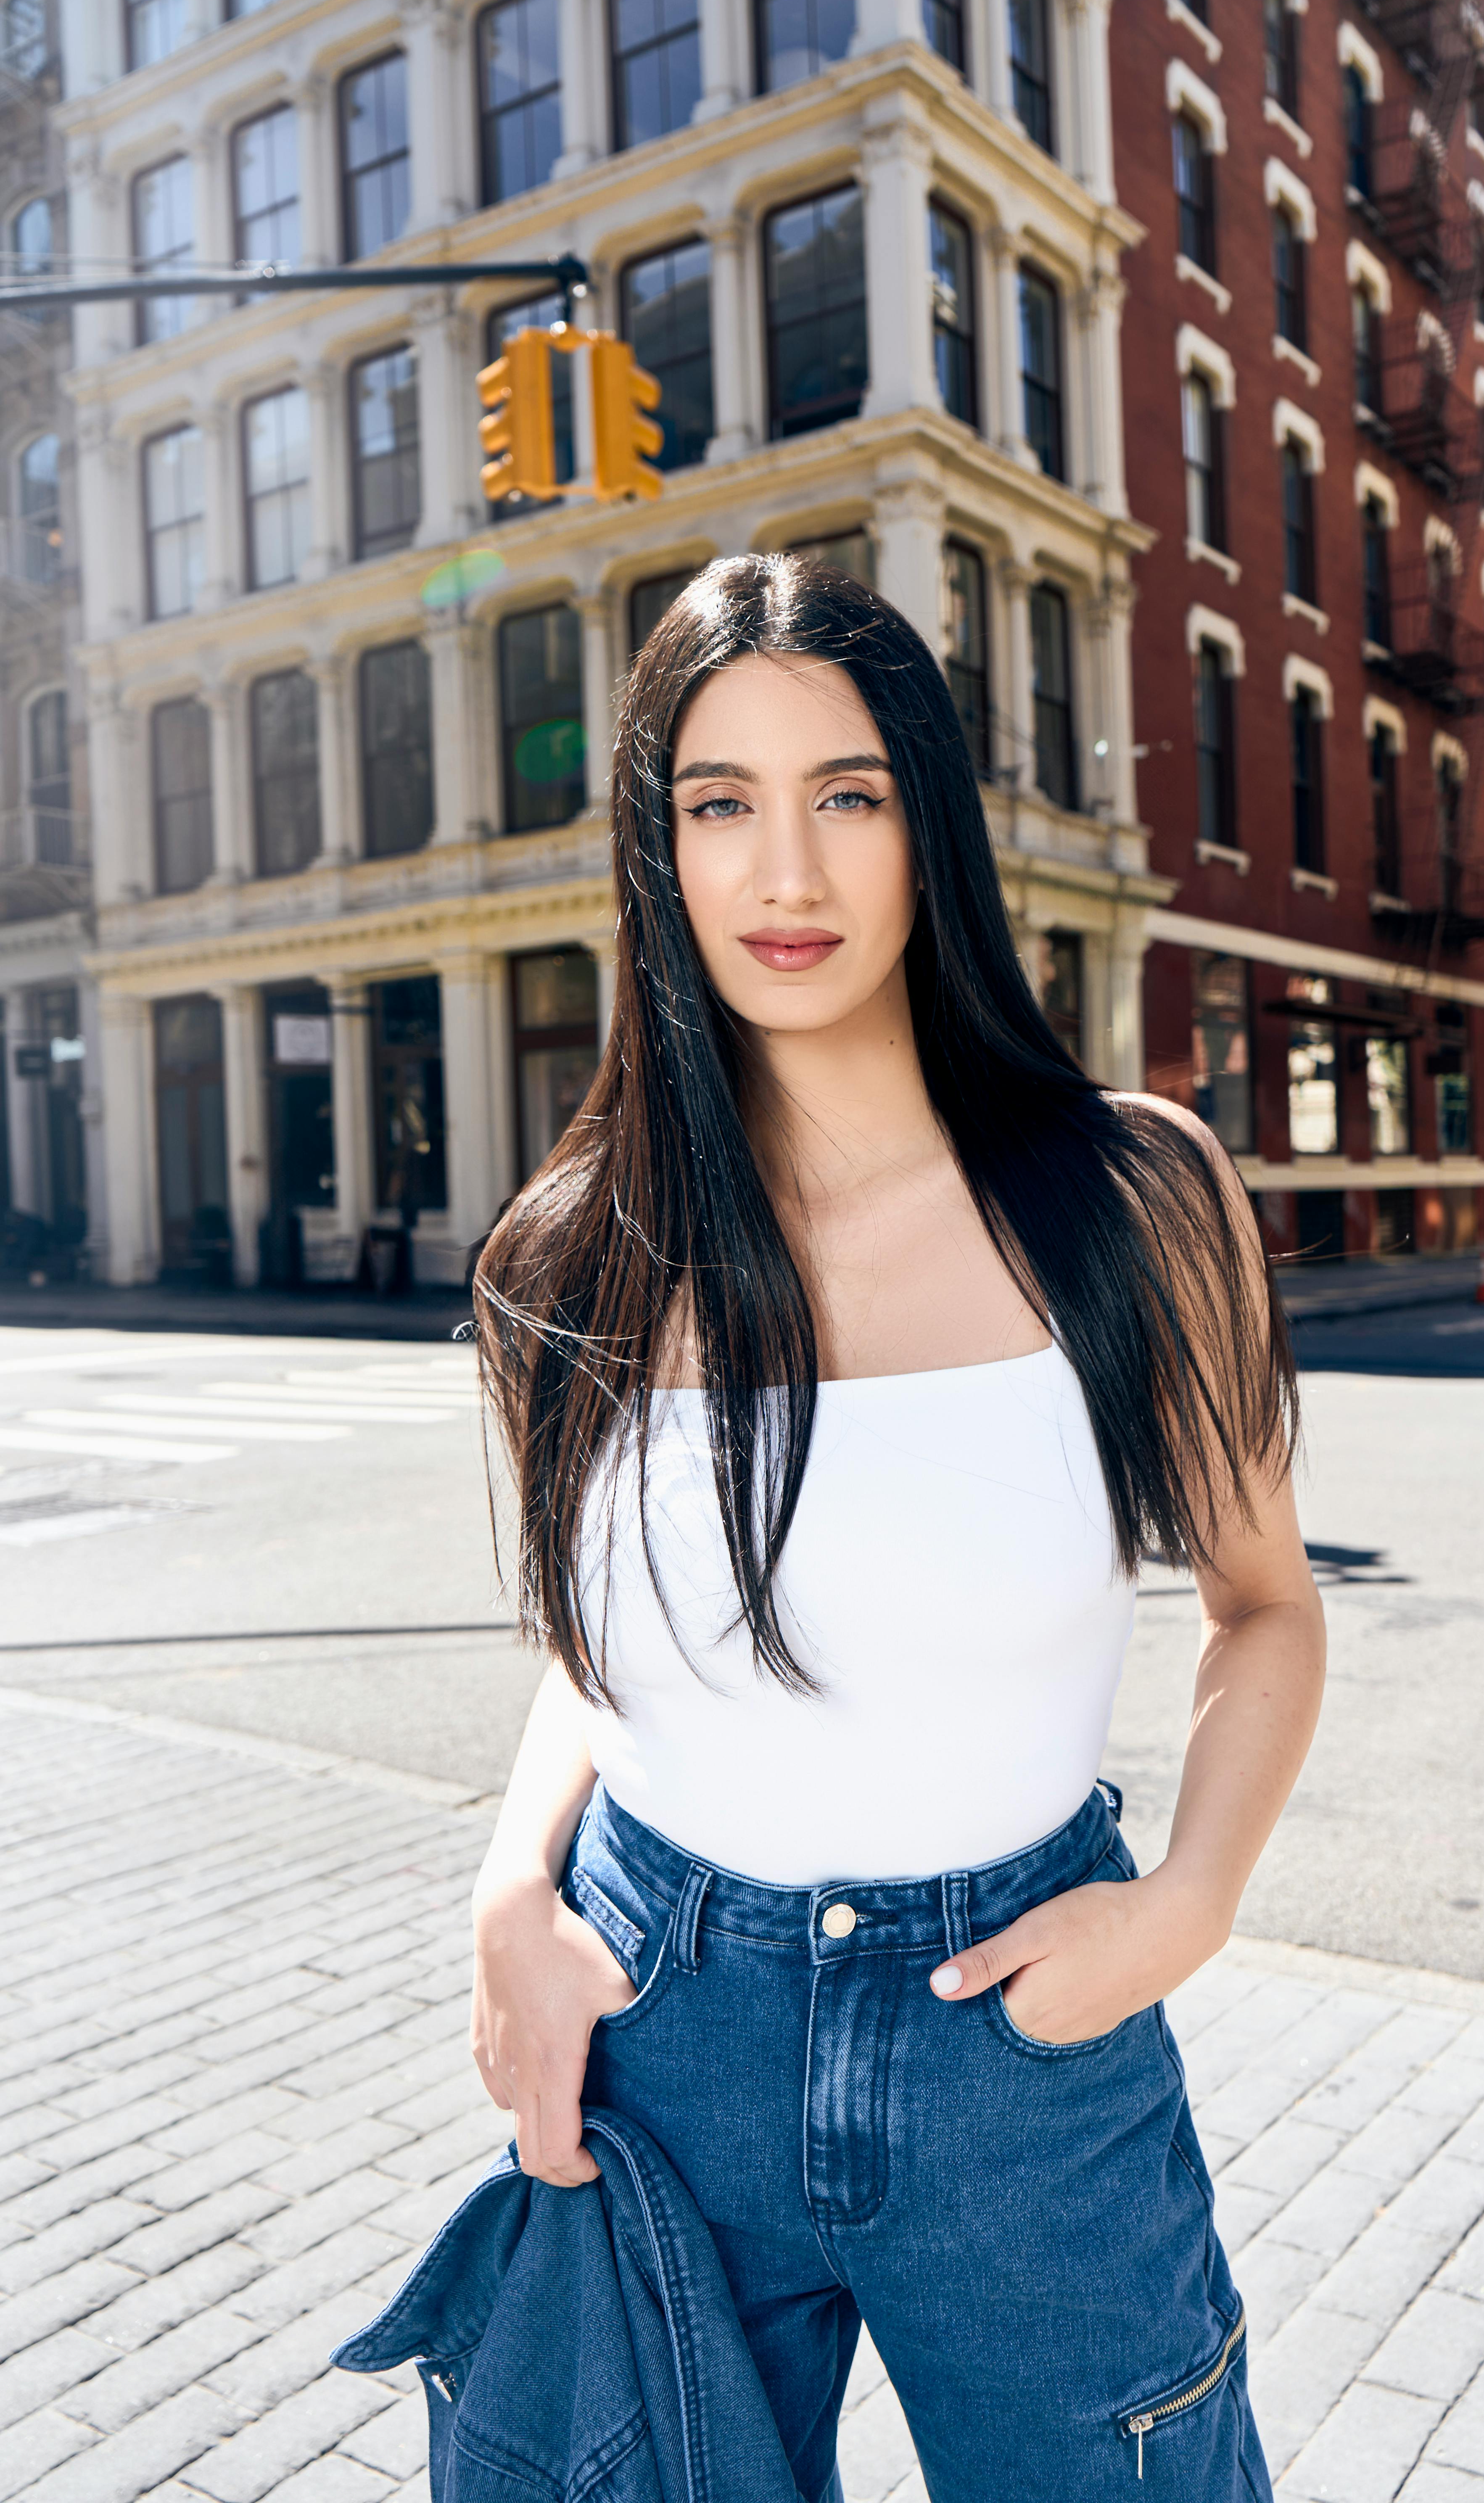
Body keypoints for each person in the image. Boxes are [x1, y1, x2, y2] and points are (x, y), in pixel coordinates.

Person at [468, 557, 1326, 2500]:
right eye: (720, 802)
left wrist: (1184, 1904)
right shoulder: (568, 1258)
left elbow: (1265, 1607)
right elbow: (603, 1651)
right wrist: (508, 1888)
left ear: (927, 821)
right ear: (653, 847)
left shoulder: (1132, 1201)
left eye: (846, 794)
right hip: (653, 2030)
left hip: (1019, 2042)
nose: (788, 871)